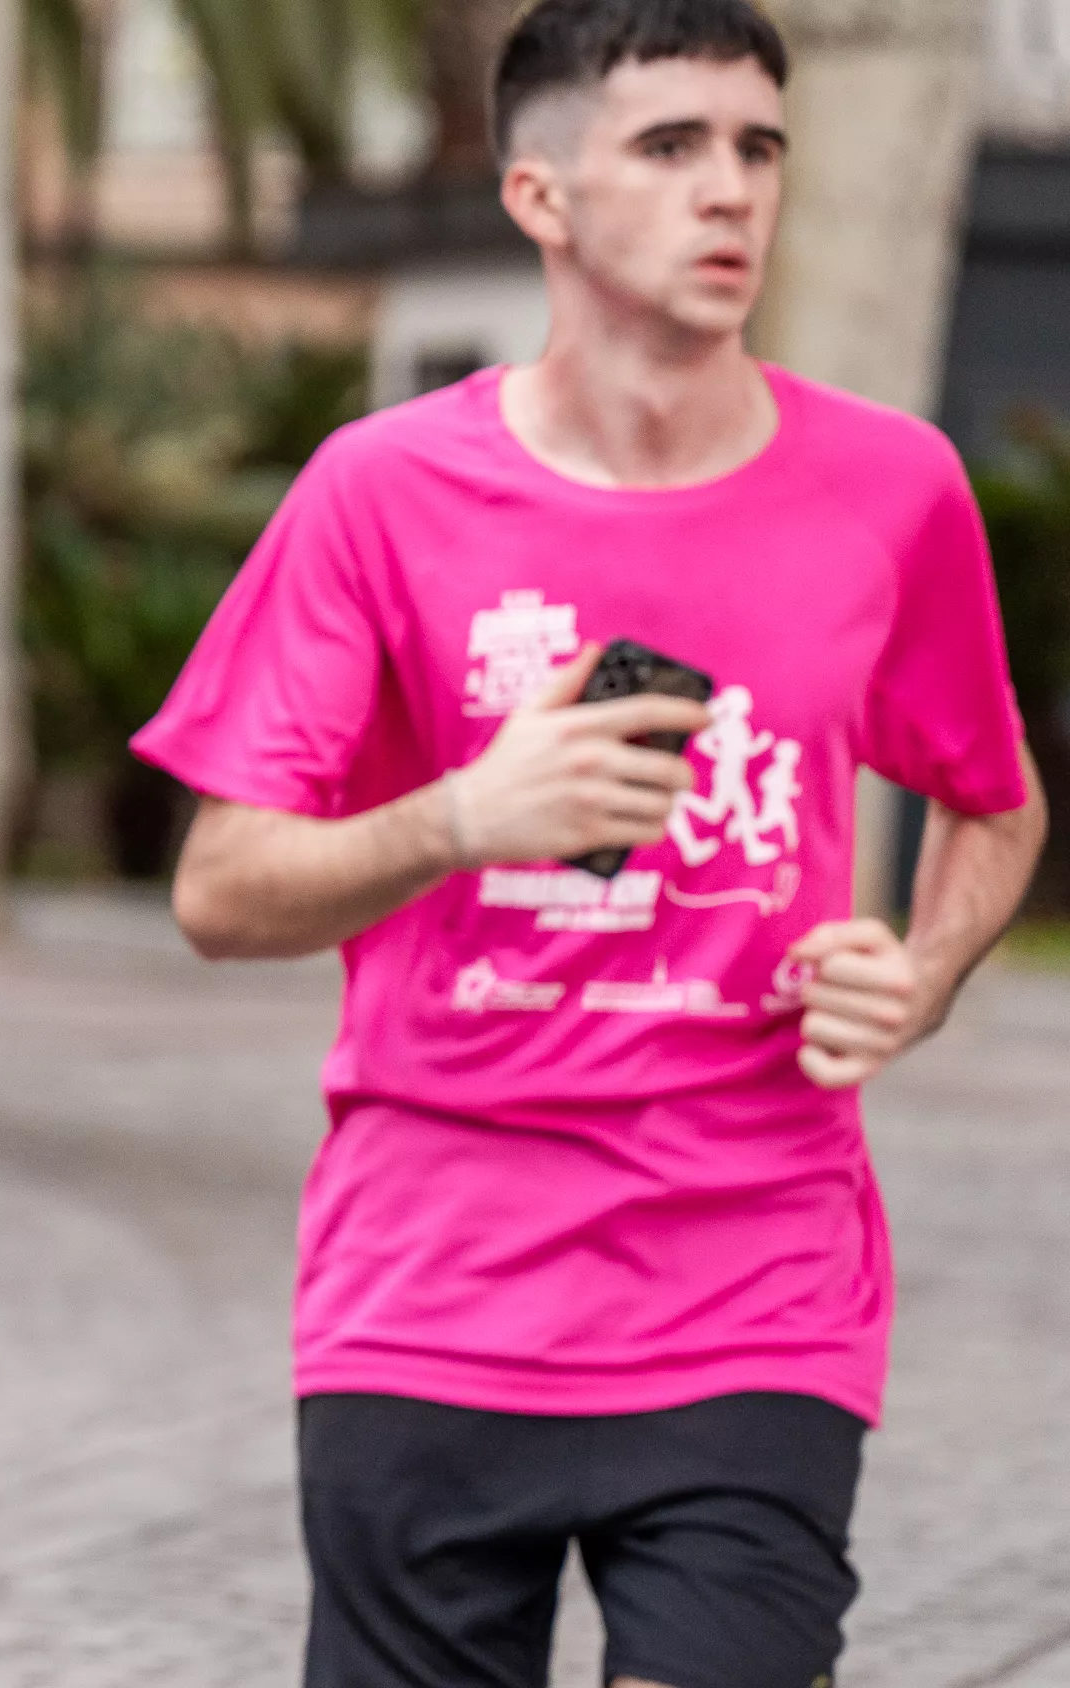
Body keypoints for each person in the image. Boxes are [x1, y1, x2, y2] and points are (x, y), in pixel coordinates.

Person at [133, 4, 1049, 1685]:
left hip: (758, 1279)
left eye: (758, 148)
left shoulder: (894, 489)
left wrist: (916, 978)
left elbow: (992, 793)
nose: (733, 194)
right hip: (432, 1284)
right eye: (672, 147)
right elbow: (219, 885)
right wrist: (465, 814)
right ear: (540, 194)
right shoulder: (381, 491)